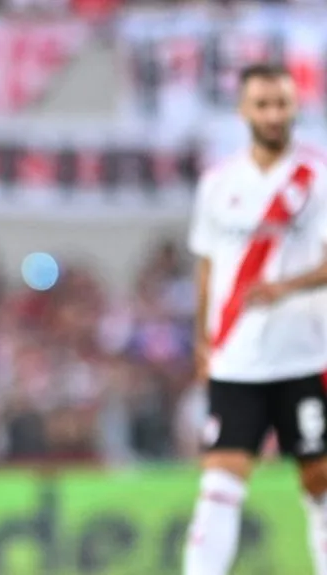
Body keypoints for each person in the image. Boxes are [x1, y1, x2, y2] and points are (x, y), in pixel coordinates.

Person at [185, 63, 327, 575]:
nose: (272, 114)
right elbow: (207, 266)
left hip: (306, 357)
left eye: (282, 104)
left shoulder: (318, 176)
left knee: (319, 480)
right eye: (262, 104)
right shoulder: (218, 184)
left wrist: (284, 287)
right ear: (244, 110)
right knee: (221, 479)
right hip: (237, 357)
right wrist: (202, 339)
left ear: (295, 108)